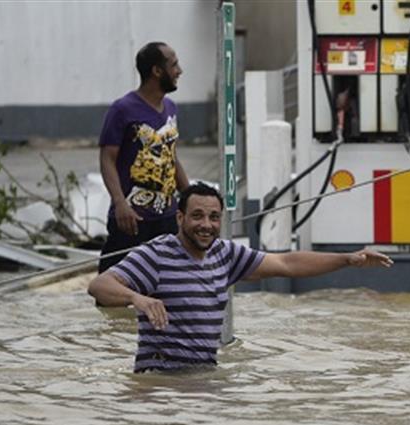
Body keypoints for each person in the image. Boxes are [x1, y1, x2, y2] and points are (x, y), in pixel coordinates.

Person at [87, 183, 394, 373]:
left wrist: (346, 260)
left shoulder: (224, 254)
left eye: (214, 217)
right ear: (180, 218)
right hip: (160, 384)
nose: (205, 225)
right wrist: (136, 298)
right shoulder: (157, 255)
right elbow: (99, 286)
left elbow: (286, 263)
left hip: (203, 377)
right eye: (197, 216)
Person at [97, 41, 191, 273]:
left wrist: (189, 197)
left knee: (167, 288)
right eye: (174, 65)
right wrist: (119, 203)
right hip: (132, 219)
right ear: (157, 71)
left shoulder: (170, 108)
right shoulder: (122, 109)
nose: (179, 71)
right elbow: (107, 158)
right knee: (113, 290)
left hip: (167, 218)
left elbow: (172, 157)